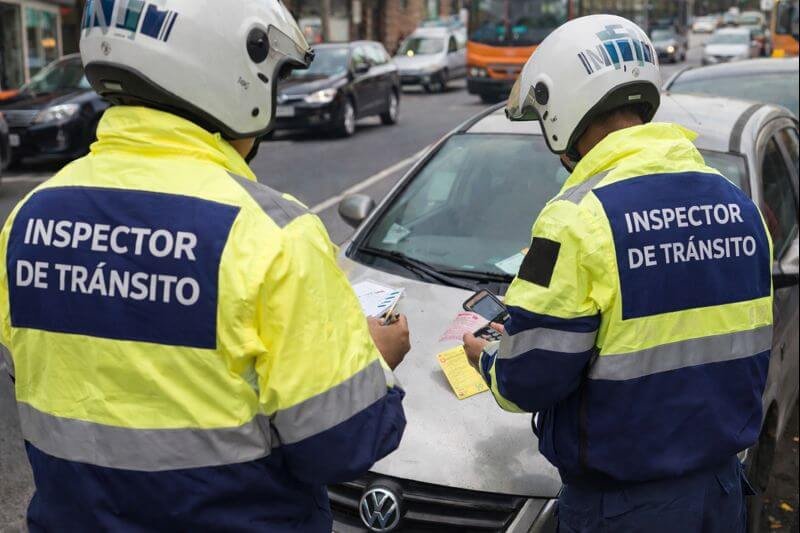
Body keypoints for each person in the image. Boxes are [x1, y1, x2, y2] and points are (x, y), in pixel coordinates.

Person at [0, 1, 409, 530]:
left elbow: (38, 375)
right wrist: (373, 361)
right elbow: (340, 446)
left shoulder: (27, 220)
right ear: (230, 70)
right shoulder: (273, 234)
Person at [463, 14, 772, 533]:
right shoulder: (737, 205)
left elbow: (528, 378)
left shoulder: (577, 218)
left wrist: (487, 358)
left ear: (564, 111)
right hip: (720, 493)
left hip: (624, 509)